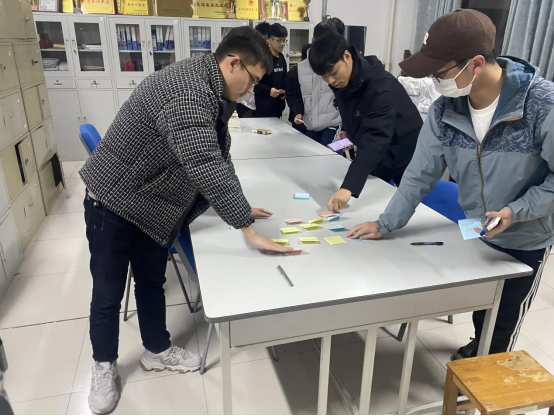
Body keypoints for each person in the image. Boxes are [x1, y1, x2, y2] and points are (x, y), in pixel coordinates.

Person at [79, 27, 291, 415]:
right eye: (252, 80)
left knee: (151, 282)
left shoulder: (213, 88)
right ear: (233, 63)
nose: (251, 90)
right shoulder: (188, 91)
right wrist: (246, 228)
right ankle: (104, 365)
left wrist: (242, 206)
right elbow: (203, 162)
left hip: (152, 204)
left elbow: (218, 155)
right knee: (107, 293)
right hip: (113, 201)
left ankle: (156, 350)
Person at [347, 9, 554, 360]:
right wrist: (386, 223)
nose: (434, 82)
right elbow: (419, 173)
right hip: (478, 228)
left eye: (439, 73)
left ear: (476, 64)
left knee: (502, 322)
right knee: (480, 306)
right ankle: (477, 344)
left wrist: (516, 211)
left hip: (527, 235)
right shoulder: (446, 110)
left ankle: (487, 364)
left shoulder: (542, 105)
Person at [309, 32, 423, 212]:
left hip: (406, 152)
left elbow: (376, 138)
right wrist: (349, 130)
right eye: (324, 77)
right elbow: (351, 106)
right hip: (379, 153)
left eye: (333, 73)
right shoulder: (347, 79)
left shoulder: (381, 87)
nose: (330, 81)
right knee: (369, 205)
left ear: (347, 56)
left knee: (411, 207)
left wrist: (348, 187)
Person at [290, 18, 343, 147]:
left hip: (334, 125)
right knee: (312, 157)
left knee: (329, 155)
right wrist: (298, 112)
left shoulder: (340, 65)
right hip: (310, 126)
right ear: (314, 41)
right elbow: (297, 95)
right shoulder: (301, 68)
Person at [253, 23, 288, 119]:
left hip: (277, 107)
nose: (282, 44)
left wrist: (284, 91)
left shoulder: (281, 57)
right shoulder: (262, 59)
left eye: (284, 40)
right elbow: (253, 84)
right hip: (263, 109)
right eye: (279, 40)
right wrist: (269, 91)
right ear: (269, 40)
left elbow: (284, 78)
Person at [284, 44, 309, 135]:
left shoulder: (320, 74)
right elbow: (291, 96)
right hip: (299, 117)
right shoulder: (294, 73)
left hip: (309, 117)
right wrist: (298, 112)